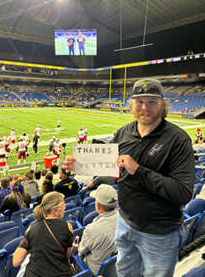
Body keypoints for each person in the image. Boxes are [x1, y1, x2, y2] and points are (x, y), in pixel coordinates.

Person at [62, 78, 195, 277]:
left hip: (159, 233)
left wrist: (138, 170)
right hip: (124, 223)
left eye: (152, 101)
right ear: (131, 104)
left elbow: (183, 192)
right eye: (139, 101)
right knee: (125, 273)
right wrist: (80, 162)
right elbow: (108, 161)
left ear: (163, 103)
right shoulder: (124, 132)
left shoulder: (178, 139)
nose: (145, 107)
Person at [13, 191, 74, 277]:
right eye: (63, 206)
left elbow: (16, 261)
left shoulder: (31, 228)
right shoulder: (68, 227)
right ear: (55, 210)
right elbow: (68, 255)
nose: (65, 208)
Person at [78, 184, 118, 275]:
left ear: (97, 205)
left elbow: (81, 253)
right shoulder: (124, 218)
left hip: (98, 271)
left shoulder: (91, 229)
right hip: (117, 266)